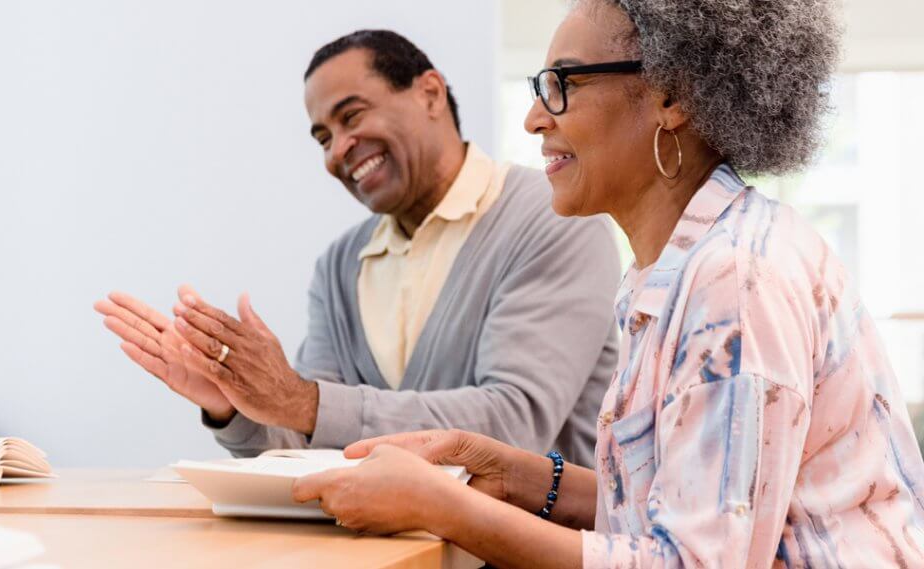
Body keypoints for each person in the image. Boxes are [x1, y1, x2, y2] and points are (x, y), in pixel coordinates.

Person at [289, 2, 924, 567]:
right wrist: (512, 474)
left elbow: (694, 563)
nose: (535, 118)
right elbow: (672, 505)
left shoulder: (735, 282)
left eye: (561, 84)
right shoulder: (684, 264)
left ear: (672, 96)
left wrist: (444, 508)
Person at [94, 30, 621, 466]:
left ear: (430, 94)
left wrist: (302, 401)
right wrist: (233, 406)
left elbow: (514, 423)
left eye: (351, 117)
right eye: (323, 138)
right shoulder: (339, 266)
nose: (338, 150)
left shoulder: (556, 223)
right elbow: (307, 439)